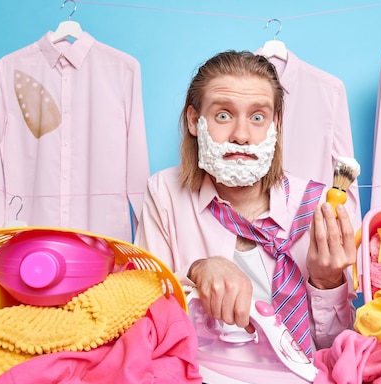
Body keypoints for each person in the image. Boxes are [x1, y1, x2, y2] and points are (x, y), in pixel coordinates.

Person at [134, 50, 357, 354]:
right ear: (194, 121)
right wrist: (197, 270)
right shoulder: (165, 194)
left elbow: (333, 348)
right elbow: (144, 317)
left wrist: (327, 282)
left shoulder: (317, 206)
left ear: (275, 125)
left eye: (257, 117)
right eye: (223, 115)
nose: (241, 135)